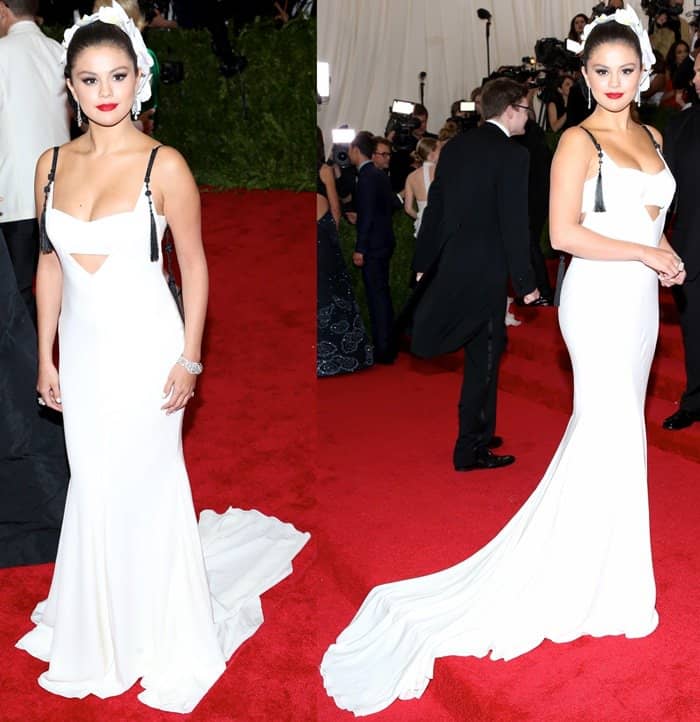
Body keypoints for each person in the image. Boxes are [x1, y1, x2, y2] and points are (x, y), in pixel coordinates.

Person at [320, 8, 681, 716]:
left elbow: (651, 222)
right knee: (607, 424)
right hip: (600, 297)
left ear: (644, 72)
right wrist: (643, 252)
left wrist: (662, 261)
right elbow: (561, 231)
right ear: (584, 75)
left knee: (617, 431)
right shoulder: (578, 141)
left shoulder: (654, 135)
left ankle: (611, 567)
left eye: (626, 70)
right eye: (600, 71)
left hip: (639, 300)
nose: (613, 82)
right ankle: (594, 577)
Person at [14, 4, 309, 712]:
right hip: (82, 353)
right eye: (89, 79)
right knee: (93, 480)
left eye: (118, 75)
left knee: (143, 482)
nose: (105, 91)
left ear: (138, 78)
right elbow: (49, 266)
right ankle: (99, 620)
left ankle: (152, 623)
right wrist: (46, 354)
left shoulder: (163, 163)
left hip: (148, 347)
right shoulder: (48, 165)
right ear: (71, 88)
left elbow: (197, 269)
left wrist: (191, 358)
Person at [408, 78, 539, 472]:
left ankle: (481, 429)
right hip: (486, 273)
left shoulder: (456, 147)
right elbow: (515, 223)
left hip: (452, 264)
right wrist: (527, 282)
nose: (528, 119)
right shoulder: (514, 156)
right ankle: (471, 449)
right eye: (527, 110)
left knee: (488, 350)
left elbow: (436, 210)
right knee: (483, 357)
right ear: (511, 110)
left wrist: (421, 261)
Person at [0, 0, 70, 320]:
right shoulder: (58, 51)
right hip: (62, 194)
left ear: (3, 9)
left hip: (13, 196)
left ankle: (27, 368)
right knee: (59, 288)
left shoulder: (2, 52)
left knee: (17, 295)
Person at [662, 51, 700, 430]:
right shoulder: (679, 126)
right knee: (694, 332)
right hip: (692, 248)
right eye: (699, 69)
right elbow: (664, 196)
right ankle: (695, 400)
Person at [316, 127, 373, 377]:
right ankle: (335, 357)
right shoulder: (324, 170)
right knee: (332, 293)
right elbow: (335, 210)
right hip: (321, 234)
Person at [350, 130, 397, 364]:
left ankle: (383, 350)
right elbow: (387, 207)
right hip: (384, 242)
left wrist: (360, 248)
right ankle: (388, 346)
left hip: (374, 246)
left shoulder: (367, 176)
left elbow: (368, 216)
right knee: (383, 295)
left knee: (377, 297)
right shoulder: (378, 175)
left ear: (356, 150)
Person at [403, 137, 439, 238]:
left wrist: (420, 217)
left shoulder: (411, 177)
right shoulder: (442, 171)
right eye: (440, 149)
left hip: (423, 226)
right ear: (432, 153)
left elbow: (408, 209)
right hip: (441, 223)